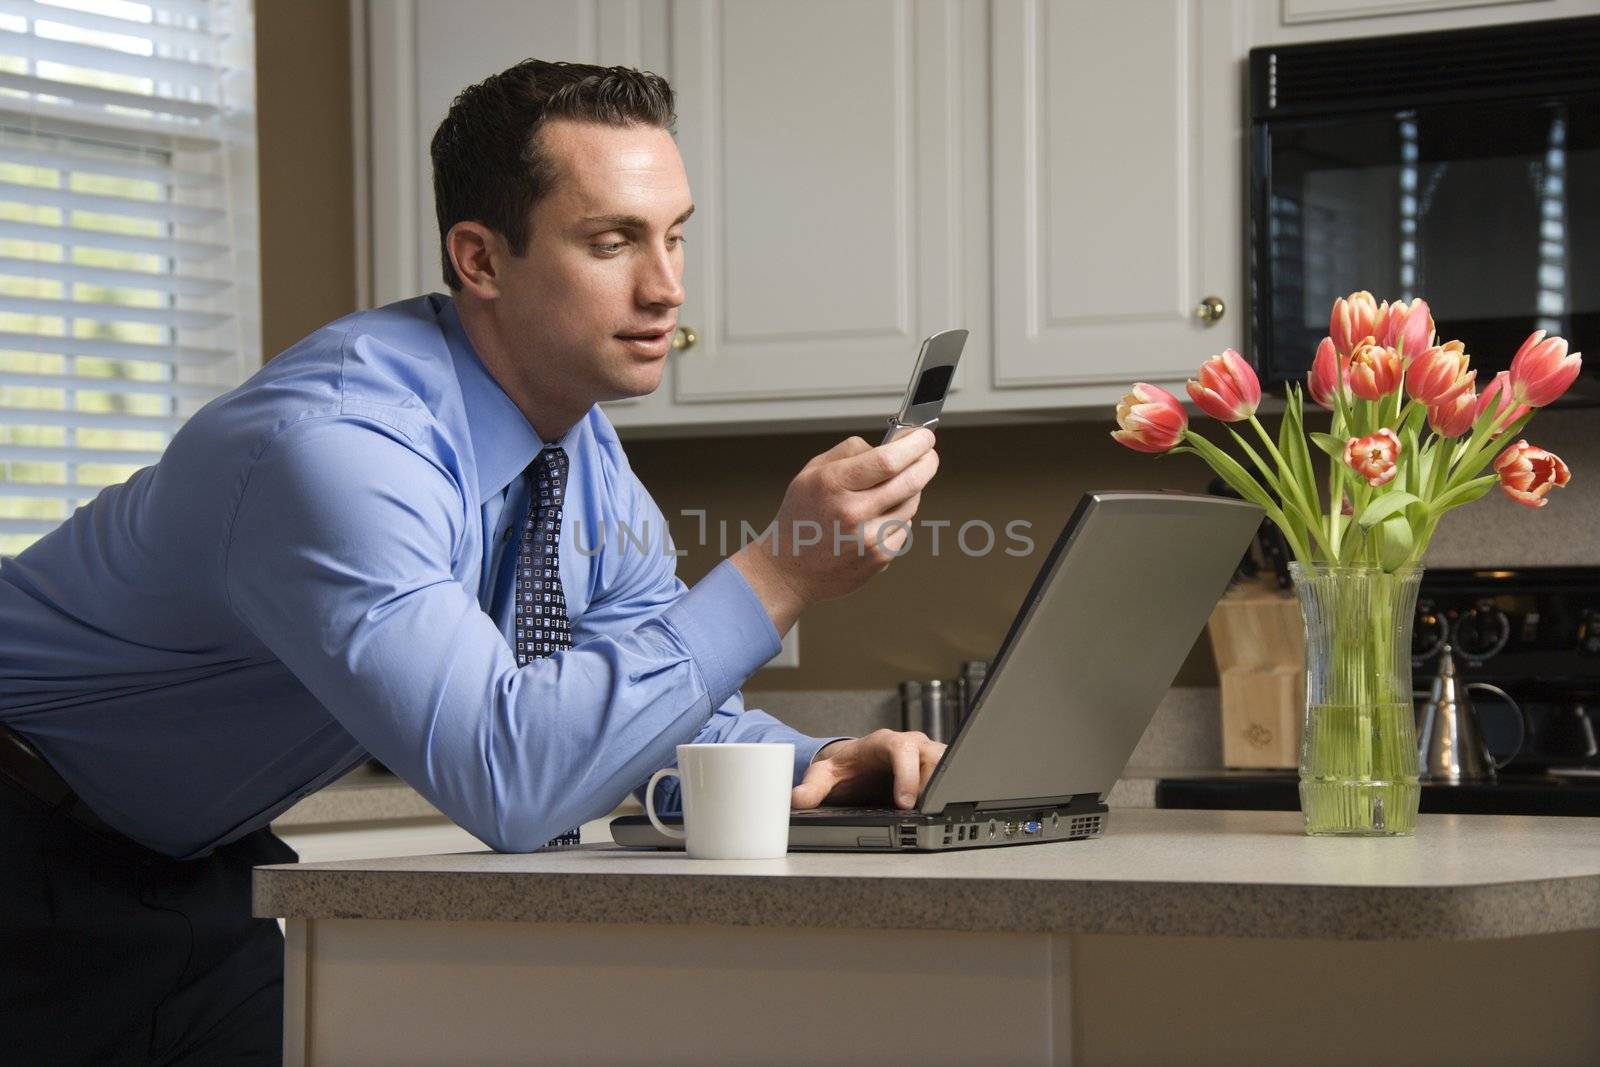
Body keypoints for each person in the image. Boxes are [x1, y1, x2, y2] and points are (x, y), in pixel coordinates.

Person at [0, 59, 945, 1065]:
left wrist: (813, 763)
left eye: (673, 235)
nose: (666, 286)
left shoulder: (576, 449)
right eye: (611, 240)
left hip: (191, 860)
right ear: (481, 259)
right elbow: (512, 778)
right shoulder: (335, 451)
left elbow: (653, 705)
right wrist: (780, 572)